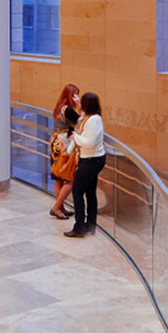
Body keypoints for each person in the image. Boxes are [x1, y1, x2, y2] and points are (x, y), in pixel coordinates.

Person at [64, 92, 106, 238]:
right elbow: (81, 126)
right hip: (92, 160)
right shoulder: (89, 118)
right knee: (89, 192)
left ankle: (80, 227)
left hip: (91, 160)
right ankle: (90, 225)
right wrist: (69, 150)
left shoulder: (94, 120)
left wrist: (74, 136)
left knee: (77, 192)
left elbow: (89, 143)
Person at [47, 107, 79, 220]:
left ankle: (60, 208)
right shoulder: (68, 109)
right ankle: (57, 207)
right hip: (64, 145)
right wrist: (79, 106)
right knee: (70, 178)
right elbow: (81, 121)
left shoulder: (58, 108)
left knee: (58, 178)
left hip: (55, 143)